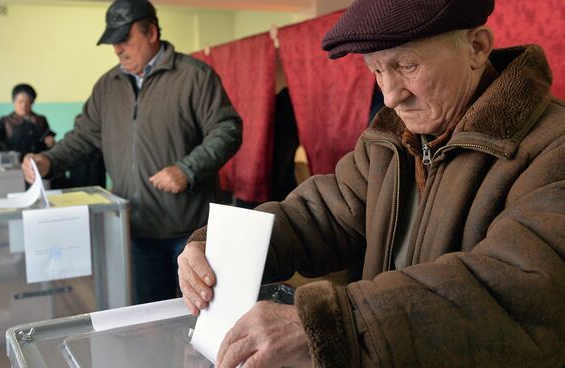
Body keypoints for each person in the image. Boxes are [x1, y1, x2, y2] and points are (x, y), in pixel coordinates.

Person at [177, 0, 565, 366]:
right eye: (377, 71)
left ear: (477, 48)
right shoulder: (391, 140)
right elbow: (323, 213)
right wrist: (221, 247)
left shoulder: (553, 148)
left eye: (408, 66)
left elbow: (518, 292)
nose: (392, 96)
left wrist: (331, 326)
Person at [22, 0, 242, 305]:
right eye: (113, 42)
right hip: (135, 227)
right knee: (150, 318)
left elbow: (227, 129)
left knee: (202, 313)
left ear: (151, 32)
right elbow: (84, 136)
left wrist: (187, 169)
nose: (117, 49)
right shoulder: (107, 86)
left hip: (191, 231)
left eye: (125, 39)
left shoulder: (194, 77)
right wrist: (49, 160)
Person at [0, 83, 56, 158]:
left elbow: (48, 139)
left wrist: (50, 142)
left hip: (37, 163)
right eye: (20, 102)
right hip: (15, 164)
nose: (24, 106)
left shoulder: (41, 120)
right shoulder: (6, 121)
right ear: (13, 102)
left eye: (28, 102)